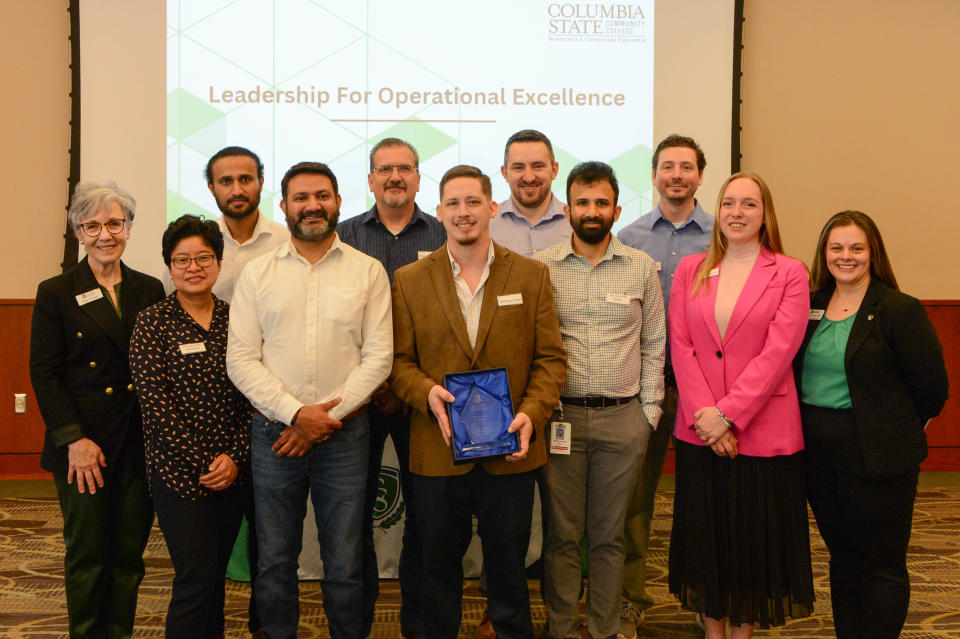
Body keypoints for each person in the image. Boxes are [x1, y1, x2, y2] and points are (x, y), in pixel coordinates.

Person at [390, 165, 566, 639]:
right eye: (453, 203)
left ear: (492, 208)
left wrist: (530, 414)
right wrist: (426, 392)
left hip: (511, 450)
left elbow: (551, 361)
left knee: (509, 566)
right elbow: (398, 364)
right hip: (437, 450)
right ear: (439, 211)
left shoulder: (530, 275)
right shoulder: (409, 280)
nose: (463, 212)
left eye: (473, 202)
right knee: (436, 565)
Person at [226, 162, 393, 639]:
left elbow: (379, 358)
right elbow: (240, 359)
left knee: (344, 561)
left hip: (346, 436)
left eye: (322, 196)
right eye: (301, 198)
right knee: (276, 559)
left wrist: (324, 419)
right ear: (284, 207)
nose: (312, 206)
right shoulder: (257, 274)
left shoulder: (369, 271)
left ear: (339, 202)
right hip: (273, 435)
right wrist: (297, 415)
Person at [667, 172, 814, 638]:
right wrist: (707, 417)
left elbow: (779, 351)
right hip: (700, 429)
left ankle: (744, 633)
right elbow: (682, 346)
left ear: (765, 213)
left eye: (749, 204)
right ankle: (713, 631)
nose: (737, 213)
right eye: (728, 203)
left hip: (763, 429)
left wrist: (728, 414)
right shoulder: (690, 268)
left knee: (753, 539)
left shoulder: (789, 272)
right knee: (707, 538)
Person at [795, 211, 948, 638]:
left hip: (878, 456)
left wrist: (891, 427)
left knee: (880, 563)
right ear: (824, 253)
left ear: (872, 252)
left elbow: (932, 388)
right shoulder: (809, 304)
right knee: (842, 556)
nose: (846, 257)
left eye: (856, 248)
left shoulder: (899, 309)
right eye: (836, 248)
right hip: (817, 455)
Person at [29, 181, 165, 638]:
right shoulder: (56, 291)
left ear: (128, 228)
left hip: (137, 446)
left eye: (114, 223)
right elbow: (44, 374)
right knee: (87, 556)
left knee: (128, 557)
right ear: (78, 233)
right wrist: (74, 439)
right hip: (83, 450)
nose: (105, 234)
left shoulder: (149, 289)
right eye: (93, 225)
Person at [534, 162, 664, 639]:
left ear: (616, 209)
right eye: (583, 202)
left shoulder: (642, 268)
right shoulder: (541, 269)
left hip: (623, 421)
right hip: (560, 419)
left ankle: (606, 628)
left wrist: (647, 414)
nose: (592, 211)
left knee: (611, 535)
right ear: (568, 209)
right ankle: (563, 628)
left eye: (601, 203)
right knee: (563, 536)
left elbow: (654, 343)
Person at [338, 137, 446, 639]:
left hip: (424, 400)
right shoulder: (342, 236)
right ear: (370, 179)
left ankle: (419, 624)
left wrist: (407, 383)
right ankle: (355, 623)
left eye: (404, 167)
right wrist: (374, 383)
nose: (394, 177)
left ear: (419, 178)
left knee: (426, 516)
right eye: (384, 169)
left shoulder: (446, 234)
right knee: (353, 517)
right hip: (357, 399)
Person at [130, 214, 251, 639]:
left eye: (204, 257)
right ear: (168, 266)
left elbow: (255, 395)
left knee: (214, 577)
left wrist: (233, 458)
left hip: (234, 472)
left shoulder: (239, 319)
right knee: (194, 579)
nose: (193, 267)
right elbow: (156, 407)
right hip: (179, 475)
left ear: (218, 263)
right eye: (182, 260)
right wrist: (206, 461)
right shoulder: (152, 323)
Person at [615, 134, 713, 638]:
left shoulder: (724, 238)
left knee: (704, 498)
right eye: (667, 166)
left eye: (686, 167)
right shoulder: (628, 238)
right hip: (644, 387)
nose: (676, 175)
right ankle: (630, 600)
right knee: (634, 499)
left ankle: (707, 600)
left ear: (700, 174)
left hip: (708, 392)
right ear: (653, 174)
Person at [203, 144, 287, 639]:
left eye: (246, 179)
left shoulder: (283, 239)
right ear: (212, 188)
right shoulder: (200, 242)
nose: (237, 189)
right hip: (210, 398)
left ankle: (264, 623)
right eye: (226, 181)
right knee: (210, 524)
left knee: (267, 526)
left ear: (261, 182)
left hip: (269, 396)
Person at [490, 129, 571, 256]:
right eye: (518, 167)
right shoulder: (486, 226)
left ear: (554, 170)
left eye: (538, 166)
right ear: (505, 173)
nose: (529, 178)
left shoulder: (576, 224)